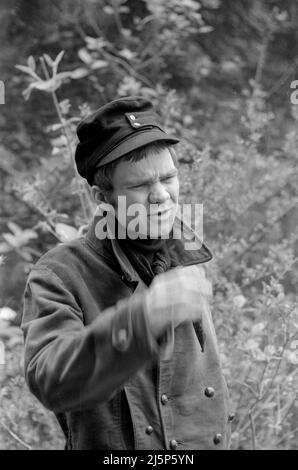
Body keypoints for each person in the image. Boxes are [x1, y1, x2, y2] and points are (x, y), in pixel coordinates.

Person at [21, 96, 232, 450]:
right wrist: (143, 319)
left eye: (169, 177)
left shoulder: (188, 254)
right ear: (101, 197)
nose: (161, 195)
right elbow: (50, 381)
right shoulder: (58, 275)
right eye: (139, 185)